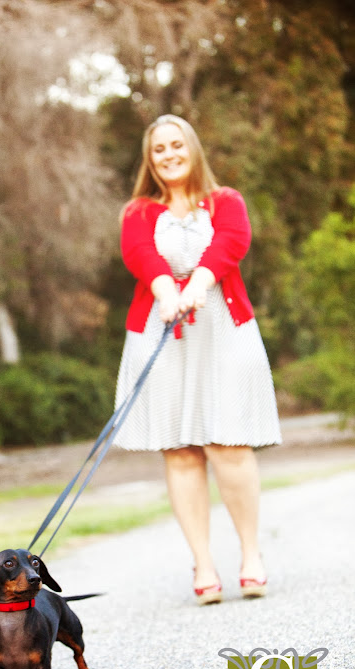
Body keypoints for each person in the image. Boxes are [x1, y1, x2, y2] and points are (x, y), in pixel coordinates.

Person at [114, 114, 281, 605]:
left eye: (175, 145)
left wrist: (198, 285)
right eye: (158, 149)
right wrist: (167, 291)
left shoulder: (227, 201)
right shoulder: (137, 211)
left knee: (228, 443)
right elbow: (140, 254)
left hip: (223, 330)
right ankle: (204, 565)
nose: (168, 155)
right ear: (150, 159)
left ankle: (251, 556)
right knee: (181, 450)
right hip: (162, 333)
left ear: (192, 148)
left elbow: (231, 243)